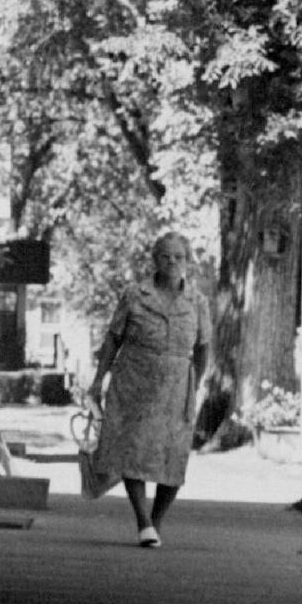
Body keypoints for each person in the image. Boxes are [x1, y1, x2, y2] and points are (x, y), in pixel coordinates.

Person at [88, 232, 209, 548]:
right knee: (134, 449)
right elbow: (113, 338)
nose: (172, 262)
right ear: (155, 260)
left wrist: (196, 380)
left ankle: (156, 522)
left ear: (187, 262)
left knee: (174, 454)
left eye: (179, 257)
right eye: (166, 256)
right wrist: (98, 379)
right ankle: (143, 522)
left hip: (177, 384)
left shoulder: (197, 301)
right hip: (134, 380)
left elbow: (204, 347)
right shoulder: (135, 295)